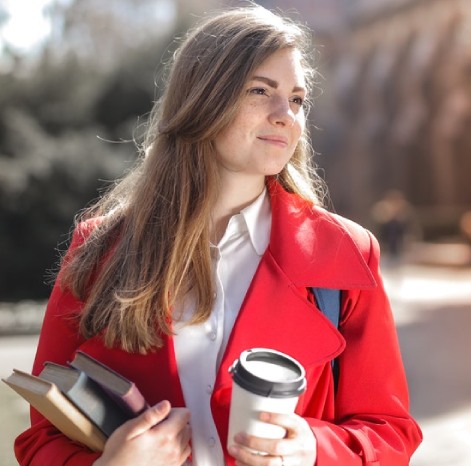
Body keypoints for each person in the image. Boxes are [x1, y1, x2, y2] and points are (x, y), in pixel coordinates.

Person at [15, 6, 422, 466]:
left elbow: (390, 433)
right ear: (202, 100)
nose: (286, 115)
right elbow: (40, 440)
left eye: (297, 99)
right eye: (259, 91)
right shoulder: (99, 248)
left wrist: (313, 450)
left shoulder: (346, 254)